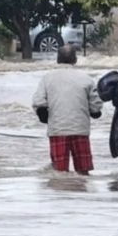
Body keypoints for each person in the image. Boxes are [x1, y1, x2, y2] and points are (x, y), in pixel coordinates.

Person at [33, 45, 103, 175]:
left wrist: (44, 116)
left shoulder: (47, 78)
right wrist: (95, 112)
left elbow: (38, 102)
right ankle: (82, 188)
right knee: (83, 171)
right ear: (75, 59)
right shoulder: (86, 79)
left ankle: (62, 189)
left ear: (58, 59)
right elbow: (96, 105)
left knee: (60, 172)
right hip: (80, 129)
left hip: (57, 129)